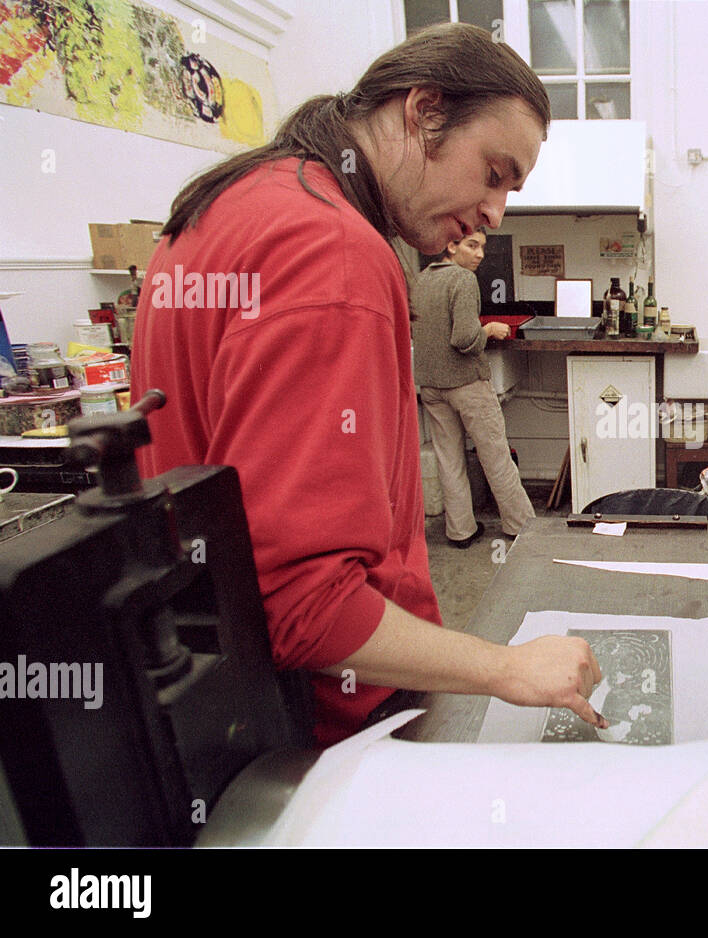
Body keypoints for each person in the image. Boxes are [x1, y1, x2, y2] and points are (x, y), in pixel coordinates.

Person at [131, 23, 606, 746]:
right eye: (494, 173)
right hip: (330, 731)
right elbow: (303, 607)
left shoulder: (228, 206)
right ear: (422, 112)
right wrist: (505, 668)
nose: (495, 212)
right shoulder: (333, 252)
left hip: (215, 703)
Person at [410, 229, 536, 547]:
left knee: (449, 459)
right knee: (495, 456)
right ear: (450, 246)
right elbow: (464, 339)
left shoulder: (421, 279)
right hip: (466, 383)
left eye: (482, 247)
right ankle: (521, 527)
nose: (479, 254)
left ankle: (460, 531)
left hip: (431, 386)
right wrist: (489, 329)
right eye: (471, 245)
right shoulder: (463, 279)